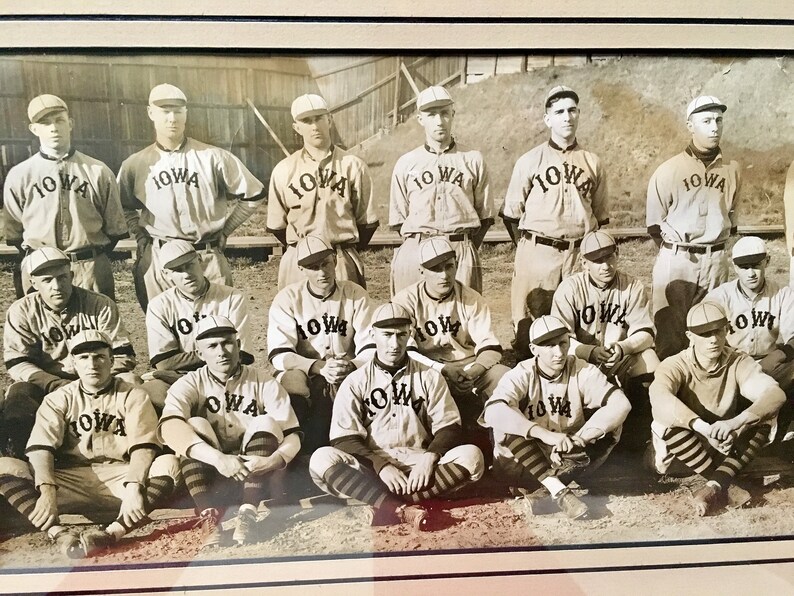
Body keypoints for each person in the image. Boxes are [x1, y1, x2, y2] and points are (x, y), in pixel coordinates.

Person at [0, 330, 179, 559]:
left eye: (99, 356)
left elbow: (143, 447)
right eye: (83, 358)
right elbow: (41, 448)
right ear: (74, 363)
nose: (92, 364)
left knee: (169, 464)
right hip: (72, 479)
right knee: (5, 466)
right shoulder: (58, 398)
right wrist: (47, 490)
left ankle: (112, 533)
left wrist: (134, 487)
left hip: (121, 476)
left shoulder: (133, 395)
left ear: (112, 360)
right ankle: (58, 532)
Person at [308, 303, 484, 531]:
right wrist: (381, 466)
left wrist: (429, 458)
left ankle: (380, 502)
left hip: (418, 466)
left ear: (410, 335)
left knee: (472, 457)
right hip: (371, 469)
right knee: (321, 459)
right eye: (387, 335)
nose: (394, 343)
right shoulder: (355, 381)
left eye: (401, 335)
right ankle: (405, 508)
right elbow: (344, 439)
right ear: (373, 335)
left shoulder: (429, 377)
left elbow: (449, 426)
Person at [118, 83, 265, 310]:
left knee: (217, 333)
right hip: (160, 259)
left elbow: (255, 194)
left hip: (204, 256)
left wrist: (226, 229)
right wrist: (139, 235)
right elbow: (123, 206)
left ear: (186, 113)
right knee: (164, 335)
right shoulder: (135, 163)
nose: (172, 118)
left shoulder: (212, 157)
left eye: (177, 110)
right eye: (164, 111)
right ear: (150, 113)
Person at [158, 316, 301, 547]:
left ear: (238, 345)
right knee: (193, 424)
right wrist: (218, 459)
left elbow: (293, 434)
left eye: (227, 343)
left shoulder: (263, 381)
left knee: (265, 421)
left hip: (255, 477)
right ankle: (208, 516)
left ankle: (248, 513)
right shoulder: (189, 383)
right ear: (200, 353)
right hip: (210, 479)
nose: (221, 351)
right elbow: (169, 427)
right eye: (212, 346)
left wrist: (275, 459)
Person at [481, 315, 631, 520]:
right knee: (506, 422)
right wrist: (543, 435)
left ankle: (546, 494)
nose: (559, 352)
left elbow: (621, 404)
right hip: (524, 463)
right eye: (549, 346)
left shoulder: (582, 369)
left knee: (611, 424)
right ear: (534, 349)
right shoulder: (522, 373)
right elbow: (493, 412)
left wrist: (583, 438)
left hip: (566, 458)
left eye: (563, 343)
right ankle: (558, 490)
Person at [649, 302, 785, 516]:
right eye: (704, 334)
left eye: (718, 331)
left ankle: (711, 487)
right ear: (689, 336)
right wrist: (703, 428)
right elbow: (659, 398)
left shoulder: (737, 360)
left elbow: (774, 394)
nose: (713, 339)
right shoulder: (675, 364)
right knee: (664, 421)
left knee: (765, 415)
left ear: (726, 330)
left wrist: (736, 423)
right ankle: (723, 482)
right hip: (686, 448)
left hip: (724, 441)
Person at [501, 86, 609, 351]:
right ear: (548, 119)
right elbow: (511, 216)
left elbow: (600, 217)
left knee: (582, 323)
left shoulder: (592, 162)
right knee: (530, 326)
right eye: (559, 111)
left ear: (579, 114)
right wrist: (530, 248)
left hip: (578, 253)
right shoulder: (530, 160)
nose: (567, 117)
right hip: (538, 251)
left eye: (572, 110)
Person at [2, 247, 137, 459]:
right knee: (19, 396)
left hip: (99, 379)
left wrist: (92, 382)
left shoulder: (99, 304)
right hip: (48, 383)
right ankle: (23, 460)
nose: (57, 286)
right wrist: (54, 384)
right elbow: (18, 363)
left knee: (132, 383)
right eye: (47, 280)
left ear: (72, 276)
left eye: (62, 277)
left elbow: (122, 356)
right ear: (33, 283)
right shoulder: (22, 310)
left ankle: (135, 452)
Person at [3, 93, 128, 299]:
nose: (53, 128)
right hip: (41, 269)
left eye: (59, 120)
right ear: (34, 129)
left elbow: (114, 231)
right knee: (43, 329)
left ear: (70, 123)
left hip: (88, 267)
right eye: (45, 123)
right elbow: (15, 235)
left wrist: (88, 256)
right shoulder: (20, 175)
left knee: (95, 329)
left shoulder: (98, 170)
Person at [646, 95, 739, 359]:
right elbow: (654, 225)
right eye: (707, 121)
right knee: (671, 335)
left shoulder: (733, 170)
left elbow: (732, 218)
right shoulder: (668, 170)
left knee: (712, 331)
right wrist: (677, 251)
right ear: (690, 125)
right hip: (678, 257)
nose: (715, 127)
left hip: (716, 258)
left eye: (719, 120)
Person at [550, 230, 659, 450]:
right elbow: (558, 339)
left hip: (619, 356)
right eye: (597, 260)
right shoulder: (569, 289)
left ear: (616, 255)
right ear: (584, 263)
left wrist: (623, 347)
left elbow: (646, 333)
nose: (605, 265)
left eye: (609, 257)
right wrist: (588, 352)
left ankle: (640, 436)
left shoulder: (632, 285)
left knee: (650, 360)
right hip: (579, 361)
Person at [391, 237, 509, 436]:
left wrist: (475, 371)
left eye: (449, 266)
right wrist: (443, 370)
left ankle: (502, 445)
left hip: (469, 369)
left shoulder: (471, 298)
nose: (444, 275)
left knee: (504, 377)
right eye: (436, 269)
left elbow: (490, 347)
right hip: (426, 370)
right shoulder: (405, 300)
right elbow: (406, 351)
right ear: (421, 271)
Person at [267, 235, 374, 454]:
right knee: (293, 383)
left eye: (325, 263)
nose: (321, 272)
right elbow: (279, 354)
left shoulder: (356, 294)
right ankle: (299, 450)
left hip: (349, 367)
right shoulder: (287, 298)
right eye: (313, 267)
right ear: (301, 269)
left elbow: (371, 344)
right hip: (305, 369)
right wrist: (318, 366)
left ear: (335, 260)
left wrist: (352, 365)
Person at [267, 93, 378, 290]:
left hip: (340, 256)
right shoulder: (284, 169)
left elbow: (367, 223)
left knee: (346, 317)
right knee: (297, 317)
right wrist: (303, 248)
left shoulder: (353, 165)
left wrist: (343, 248)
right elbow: (277, 226)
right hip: (299, 260)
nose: (314, 126)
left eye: (319, 118)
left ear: (329, 119)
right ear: (296, 127)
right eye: (306, 121)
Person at [389, 86, 494, 295]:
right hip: (417, 250)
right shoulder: (406, 163)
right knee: (411, 319)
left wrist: (464, 246)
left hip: (459, 252)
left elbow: (485, 217)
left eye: (444, 113)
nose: (439, 121)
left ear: (452, 114)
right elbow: (399, 220)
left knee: (463, 320)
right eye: (431, 115)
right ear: (420, 119)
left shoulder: (472, 159)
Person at [143, 240, 254, 410]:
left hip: (225, 376)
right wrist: (218, 350)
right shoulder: (159, 305)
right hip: (179, 377)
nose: (186, 274)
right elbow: (164, 362)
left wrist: (179, 366)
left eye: (189, 265)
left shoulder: (232, 297)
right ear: (166, 274)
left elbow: (242, 354)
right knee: (150, 393)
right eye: (177, 270)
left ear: (200, 260)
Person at [704, 236, 794, 436]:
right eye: (744, 267)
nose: (751, 273)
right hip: (731, 366)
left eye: (756, 265)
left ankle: (787, 433)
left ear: (767, 262)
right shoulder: (719, 297)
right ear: (735, 267)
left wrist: (776, 357)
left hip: (770, 363)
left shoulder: (782, 293)